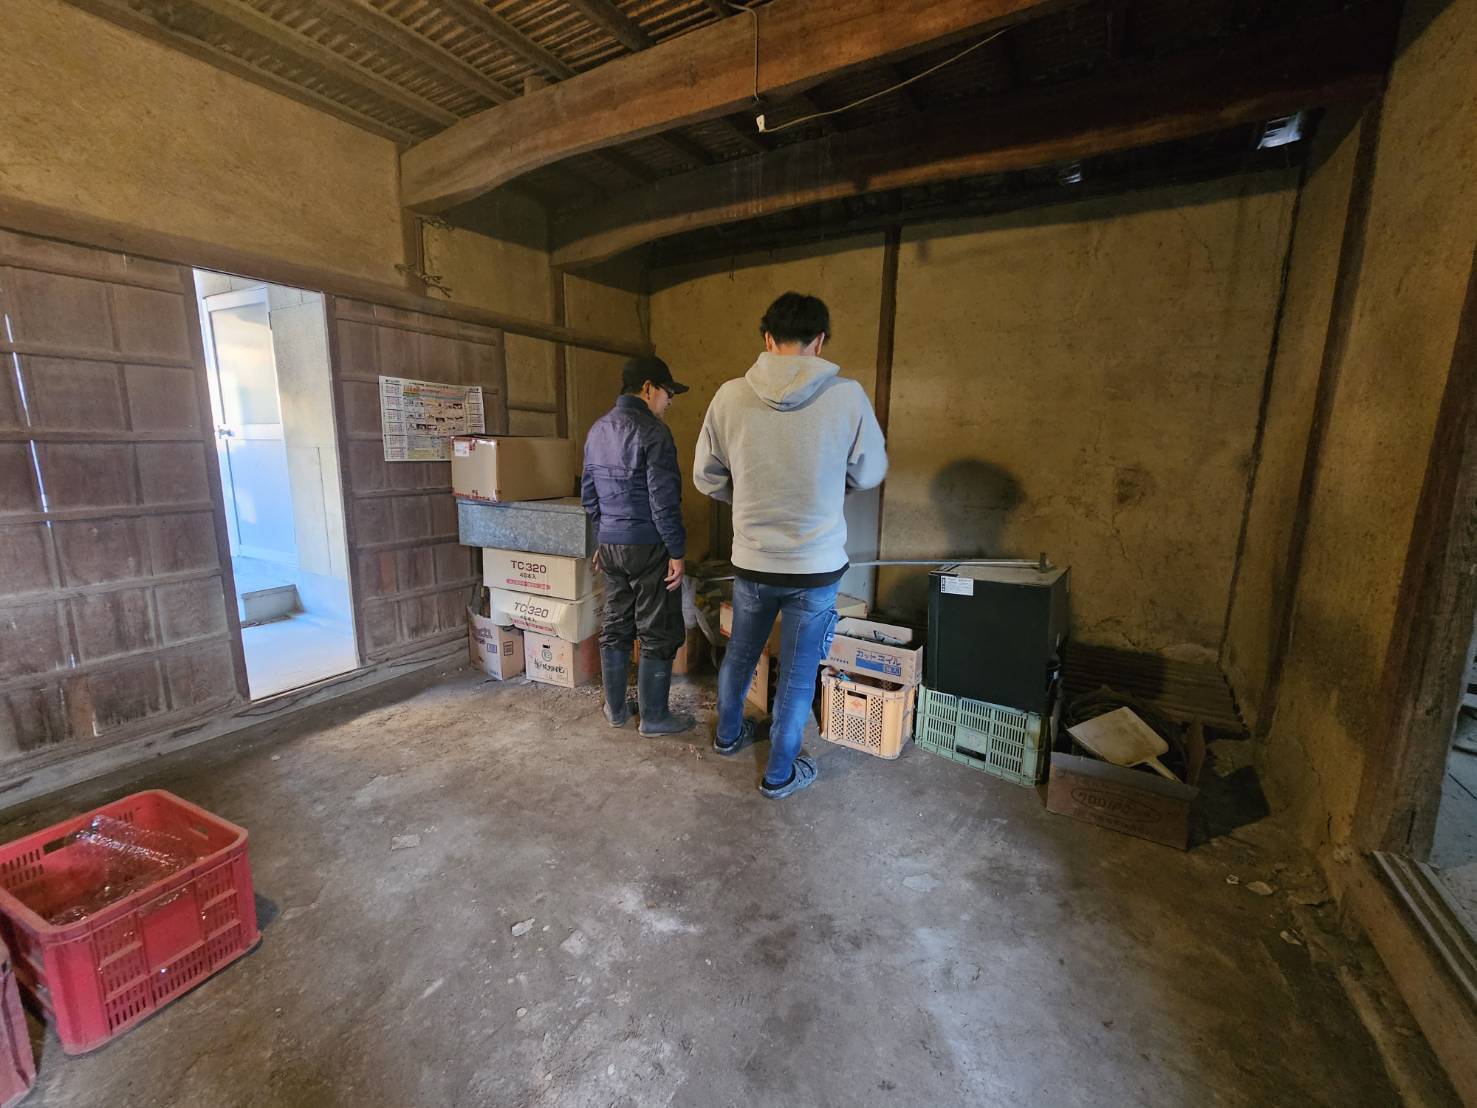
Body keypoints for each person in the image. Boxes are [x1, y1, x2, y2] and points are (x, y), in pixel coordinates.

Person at [693, 292, 888, 798]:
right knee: (799, 675)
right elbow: (870, 471)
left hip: (753, 561)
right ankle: (779, 774)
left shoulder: (729, 396)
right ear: (819, 341)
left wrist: (745, 496)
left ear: (767, 338)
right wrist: (832, 487)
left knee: (740, 656)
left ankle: (728, 736)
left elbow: (706, 476)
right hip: (816, 567)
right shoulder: (846, 396)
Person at [582, 355, 695, 737]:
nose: (669, 401)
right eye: (668, 393)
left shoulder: (597, 430)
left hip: (611, 545)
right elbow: (664, 501)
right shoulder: (654, 432)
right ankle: (654, 717)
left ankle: (615, 710)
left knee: (615, 625)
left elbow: (589, 494)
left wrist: (603, 537)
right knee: (656, 629)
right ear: (648, 388)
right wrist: (676, 551)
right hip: (648, 546)